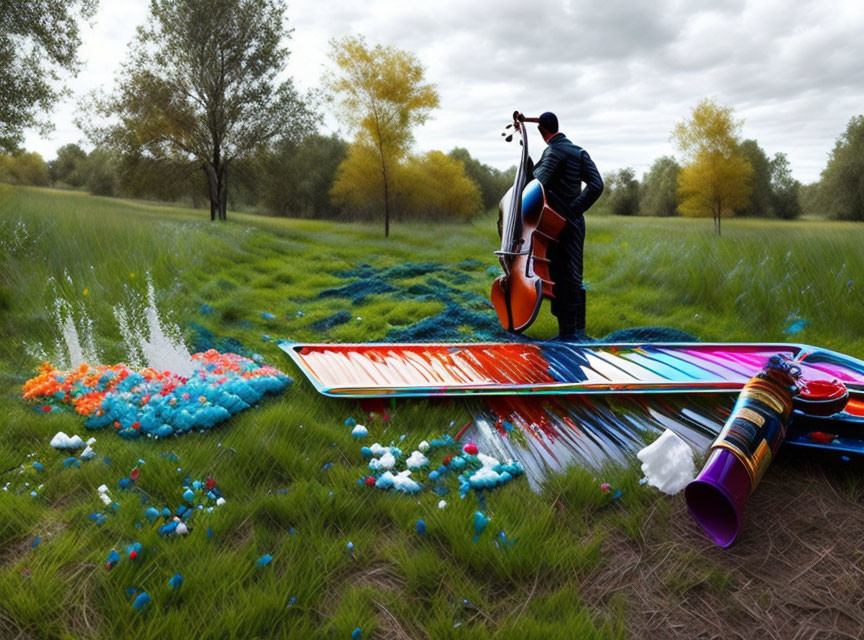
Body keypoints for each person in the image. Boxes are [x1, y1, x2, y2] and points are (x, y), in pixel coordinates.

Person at [531, 111, 603, 340]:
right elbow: (597, 185)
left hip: (555, 224)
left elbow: (538, 184)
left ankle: (567, 335)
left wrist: (530, 169)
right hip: (575, 224)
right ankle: (578, 332)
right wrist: (576, 209)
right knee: (574, 275)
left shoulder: (553, 151)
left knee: (560, 276)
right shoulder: (579, 151)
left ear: (542, 131)